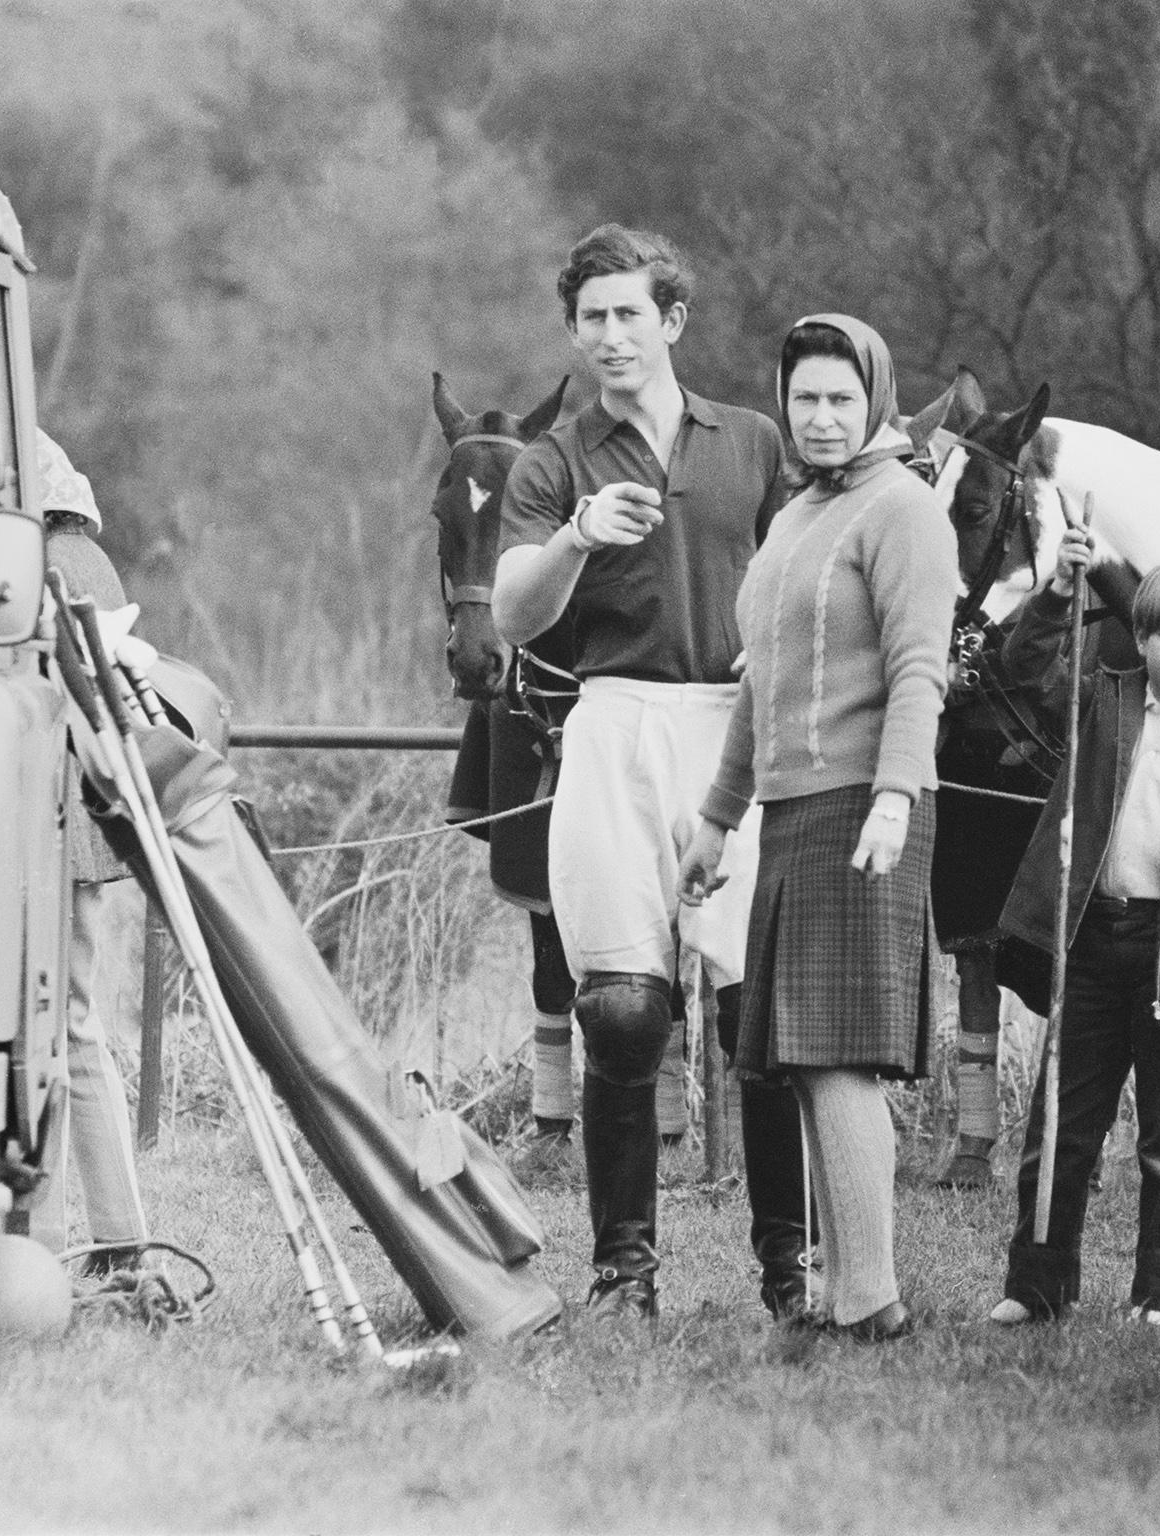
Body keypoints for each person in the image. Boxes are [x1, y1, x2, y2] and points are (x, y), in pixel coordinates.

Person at [491, 225, 798, 1321]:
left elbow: (807, 569)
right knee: (621, 1010)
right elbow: (512, 618)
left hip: (735, 722)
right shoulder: (553, 462)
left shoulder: (755, 442)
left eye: (629, 314)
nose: (610, 336)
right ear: (571, 334)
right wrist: (573, 538)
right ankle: (625, 1273)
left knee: (758, 1021)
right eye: (590, 319)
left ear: (669, 320)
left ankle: (786, 1271)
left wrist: (783, 643)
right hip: (611, 721)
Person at [678, 314, 958, 1340]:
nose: (823, 415)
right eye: (806, 398)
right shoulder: (796, 513)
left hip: (864, 807)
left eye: (843, 397)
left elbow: (918, 669)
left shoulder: (904, 511)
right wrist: (715, 819)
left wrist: (893, 796)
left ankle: (871, 1297)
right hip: (791, 814)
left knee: (839, 1053)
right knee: (797, 1054)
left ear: (876, 399)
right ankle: (842, 1291)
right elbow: (761, 685)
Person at [987, 543, 1160, 1327]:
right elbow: (1025, 666)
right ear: (1142, 638)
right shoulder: (1100, 704)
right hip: (1087, 945)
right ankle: (1036, 1287)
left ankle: (1158, 1299)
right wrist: (1054, 591)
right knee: (1060, 1132)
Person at [32, 429, 151, 1274]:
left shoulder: (55, 568)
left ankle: (112, 1237)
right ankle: (102, 1232)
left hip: (58, 824)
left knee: (65, 1029)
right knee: (72, 1027)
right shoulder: (87, 562)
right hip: (76, 827)